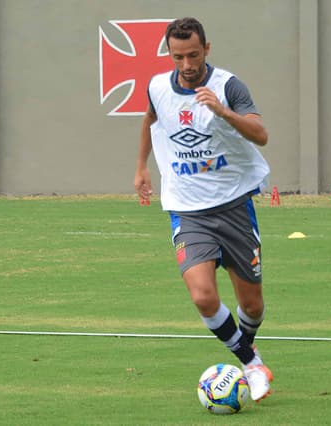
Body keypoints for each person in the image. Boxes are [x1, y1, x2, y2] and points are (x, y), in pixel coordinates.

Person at [133, 17, 273, 402]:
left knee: (252, 305)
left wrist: (224, 111)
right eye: (178, 56)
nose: (187, 64)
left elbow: (261, 134)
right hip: (187, 210)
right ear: (170, 54)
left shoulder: (228, 85)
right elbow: (150, 119)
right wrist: (142, 166)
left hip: (233, 207)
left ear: (206, 49)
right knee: (202, 297)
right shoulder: (158, 86)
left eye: (193, 55)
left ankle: (247, 353)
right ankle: (252, 362)